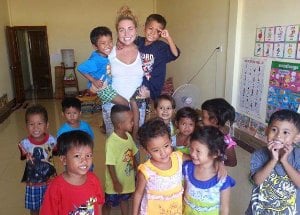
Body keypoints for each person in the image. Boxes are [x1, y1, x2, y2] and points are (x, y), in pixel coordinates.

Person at [101, 6, 146, 137]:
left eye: (130, 29)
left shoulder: (145, 51)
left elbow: (152, 77)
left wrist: (148, 93)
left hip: (138, 106)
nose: (126, 34)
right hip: (113, 107)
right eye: (122, 30)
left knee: (135, 145)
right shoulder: (109, 53)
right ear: (117, 32)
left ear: (136, 30)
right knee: (116, 146)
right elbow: (100, 82)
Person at [245, 109, 300, 214]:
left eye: (285, 132)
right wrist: (273, 160)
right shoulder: (259, 154)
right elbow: (257, 181)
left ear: (296, 138)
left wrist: (284, 161)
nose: (278, 136)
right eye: (274, 130)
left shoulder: (297, 156)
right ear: (267, 130)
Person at [132, 118, 190, 215]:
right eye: (155, 150)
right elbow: (138, 194)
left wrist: (217, 164)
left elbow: (198, 159)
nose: (163, 153)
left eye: (166, 146)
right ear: (146, 151)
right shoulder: (146, 170)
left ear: (171, 141)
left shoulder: (178, 157)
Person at [40, 130, 105, 215]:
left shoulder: (94, 180)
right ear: (64, 159)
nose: (84, 160)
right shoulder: (55, 188)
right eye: (77, 156)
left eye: (88, 155)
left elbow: (98, 204)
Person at [183, 126, 235, 214]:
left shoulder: (222, 180)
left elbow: (224, 209)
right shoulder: (187, 168)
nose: (192, 153)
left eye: (198, 151)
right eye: (191, 149)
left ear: (215, 153)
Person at [18, 104, 57, 215]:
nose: (35, 128)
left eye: (40, 123)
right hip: (33, 183)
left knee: (51, 205)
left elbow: (58, 152)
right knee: (34, 208)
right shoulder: (24, 143)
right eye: (31, 124)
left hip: (50, 181)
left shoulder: (52, 140)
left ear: (47, 125)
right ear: (26, 126)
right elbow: (23, 156)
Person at [77, 26, 128, 106]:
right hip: (103, 88)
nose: (108, 46)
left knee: (112, 106)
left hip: (109, 85)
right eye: (103, 43)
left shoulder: (106, 54)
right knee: (124, 103)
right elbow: (80, 68)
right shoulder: (96, 60)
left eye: (110, 42)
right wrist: (93, 80)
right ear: (95, 46)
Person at [134, 13, 180, 101]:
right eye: (150, 28)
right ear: (145, 27)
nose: (153, 33)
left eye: (157, 31)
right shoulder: (138, 41)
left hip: (152, 89)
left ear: (161, 33)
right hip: (137, 85)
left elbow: (175, 54)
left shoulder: (161, 47)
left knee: (146, 109)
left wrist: (168, 38)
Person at [103, 104, 138, 215]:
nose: (133, 123)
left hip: (127, 180)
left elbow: (132, 154)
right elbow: (110, 164)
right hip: (115, 183)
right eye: (130, 121)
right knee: (108, 203)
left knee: (125, 200)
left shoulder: (128, 136)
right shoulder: (111, 142)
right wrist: (115, 182)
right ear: (120, 125)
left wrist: (138, 168)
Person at [201, 98, 237, 167]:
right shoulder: (204, 130)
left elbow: (233, 162)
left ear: (214, 120)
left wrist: (218, 164)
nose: (201, 119)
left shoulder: (225, 140)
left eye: (203, 117)